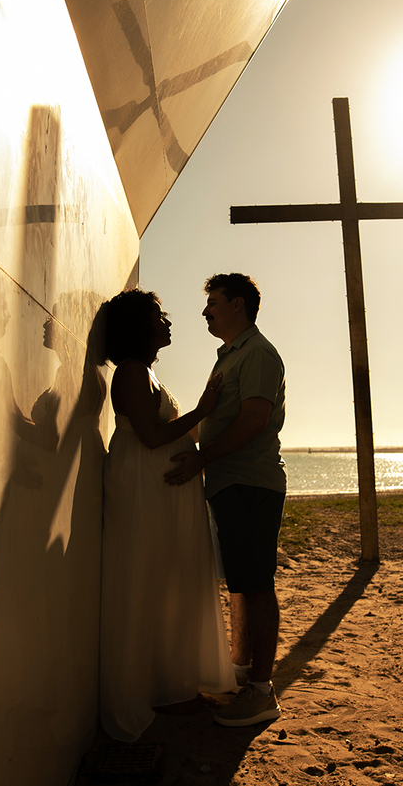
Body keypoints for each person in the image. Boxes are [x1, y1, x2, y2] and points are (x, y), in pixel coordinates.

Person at [98, 288, 236, 742]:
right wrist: (204, 408)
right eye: (160, 317)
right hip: (143, 491)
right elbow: (152, 436)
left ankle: (171, 685)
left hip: (157, 492)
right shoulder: (133, 373)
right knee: (147, 582)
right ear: (140, 328)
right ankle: (159, 690)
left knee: (165, 584)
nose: (170, 323)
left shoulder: (148, 373)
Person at [165, 273, 286, 727]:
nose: (205, 311)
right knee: (240, 581)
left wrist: (200, 460)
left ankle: (261, 691)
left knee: (256, 583)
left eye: (212, 302)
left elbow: (255, 419)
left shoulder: (257, 354)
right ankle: (242, 672)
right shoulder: (228, 358)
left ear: (238, 304)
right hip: (227, 482)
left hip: (250, 482)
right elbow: (208, 425)